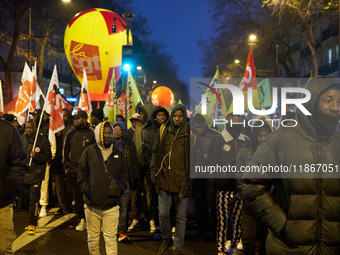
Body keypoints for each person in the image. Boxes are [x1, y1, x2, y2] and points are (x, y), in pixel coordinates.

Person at [242, 78, 340, 254]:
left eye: (339, 101)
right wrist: (282, 225)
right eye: (328, 100)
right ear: (312, 102)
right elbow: (252, 185)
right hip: (288, 249)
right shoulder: (280, 139)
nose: (335, 107)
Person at [78, 121, 128, 255]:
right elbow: (81, 175)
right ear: (98, 134)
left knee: (111, 238)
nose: (109, 136)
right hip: (92, 206)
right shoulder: (89, 152)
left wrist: (120, 189)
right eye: (105, 133)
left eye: (110, 133)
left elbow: (124, 175)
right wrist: (89, 191)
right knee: (93, 239)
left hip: (111, 206)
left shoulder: (118, 153)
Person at [151, 104, 191, 255]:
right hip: (164, 181)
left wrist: (188, 182)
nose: (177, 119)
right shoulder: (163, 131)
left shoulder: (189, 135)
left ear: (184, 117)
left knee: (181, 217)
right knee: (163, 214)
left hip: (182, 183)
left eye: (180, 116)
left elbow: (194, 161)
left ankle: (178, 247)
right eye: (174, 115)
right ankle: (166, 238)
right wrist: (154, 173)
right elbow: (156, 154)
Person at [207, 113, 248, 255]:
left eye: (239, 124)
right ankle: (221, 248)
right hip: (223, 188)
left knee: (238, 220)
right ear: (227, 124)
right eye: (234, 124)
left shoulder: (245, 141)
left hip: (240, 189)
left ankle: (235, 245)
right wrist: (212, 187)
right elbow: (211, 165)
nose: (237, 127)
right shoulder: (218, 141)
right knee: (223, 221)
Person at [236, 120, 272, 255]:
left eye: (266, 135)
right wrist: (243, 192)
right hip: (249, 198)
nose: (263, 138)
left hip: (267, 199)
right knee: (248, 236)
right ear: (255, 135)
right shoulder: (245, 150)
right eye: (260, 135)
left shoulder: (274, 152)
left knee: (265, 235)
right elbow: (239, 173)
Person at [191, 113, 223, 240]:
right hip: (199, 174)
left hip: (213, 173)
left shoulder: (215, 136)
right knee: (200, 204)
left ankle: (216, 231)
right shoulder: (192, 136)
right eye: (196, 126)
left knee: (215, 203)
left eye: (201, 126)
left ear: (205, 124)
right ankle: (201, 231)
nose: (199, 129)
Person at [63, 110, 95, 231]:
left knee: (90, 195)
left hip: (89, 171)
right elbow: (65, 152)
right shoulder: (70, 133)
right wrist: (66, 168)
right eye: (74, 118)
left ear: (84, 119)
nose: (75, 120)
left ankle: (92, 220)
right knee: (77, 197)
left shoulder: (92, 133)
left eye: (77, 118)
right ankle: (82, 219)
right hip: (73, 170)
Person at [0, 119, 27, 254]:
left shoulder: (8, 130)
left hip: (1, 204)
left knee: (3, 247)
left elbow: (19, 163)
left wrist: (6, 190)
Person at [128, 104, 156, 233]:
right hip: (137, 166)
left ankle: (152, 219)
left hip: (148, 166)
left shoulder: (153, 128)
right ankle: (136, 217)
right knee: (135, 193)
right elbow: (134, 145)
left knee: (149, 194)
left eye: (142, 113)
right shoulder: (138, 127)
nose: (140, 116)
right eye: (139, 113)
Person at [22, 119, 51, 235]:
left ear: (35, 128)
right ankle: (32, 220)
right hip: (24, 174)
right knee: (26, 201)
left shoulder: (42, 140)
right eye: (27, 128)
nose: (28, 129)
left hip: (36, 174)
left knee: (33, 201)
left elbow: (48, 157)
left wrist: (37, 156)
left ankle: (32, 223)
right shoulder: (22, 139)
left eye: (30, 127)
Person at [112, 121, 139, 242]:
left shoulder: (130, 145)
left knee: (123, 207)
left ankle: (121, 232)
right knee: (113, 207)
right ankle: (112, 230)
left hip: (126, 181)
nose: (115, 131)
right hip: (113, 181)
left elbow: (134, 164)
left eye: (118, 129)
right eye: (114, 128)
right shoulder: (110, 145)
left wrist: (134, 180)